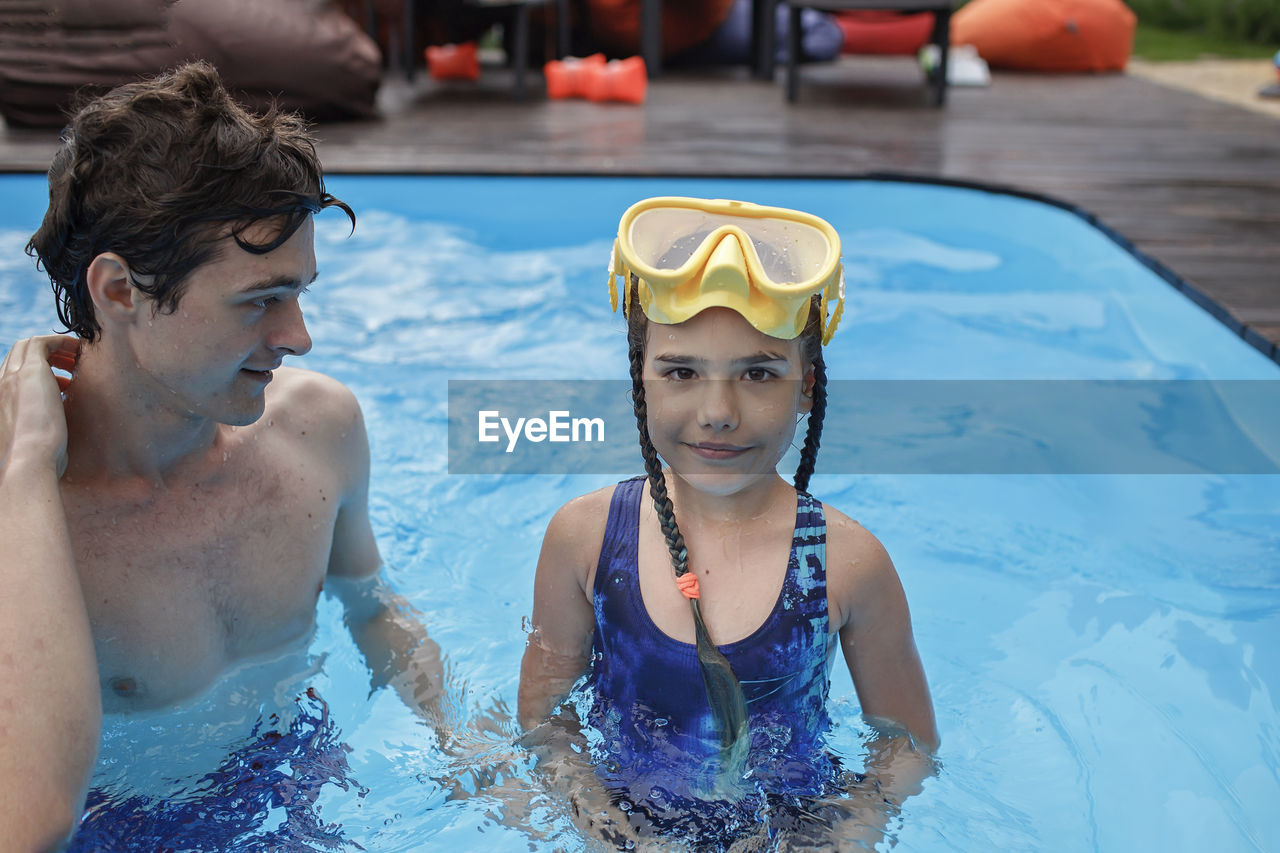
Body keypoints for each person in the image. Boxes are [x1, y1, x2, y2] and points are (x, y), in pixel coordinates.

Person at [0, 62, 442, 851]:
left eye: (300, 293)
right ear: (119, 291)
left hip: (295, 788)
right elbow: (27, 822)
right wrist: (26, 469)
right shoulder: (26, 518)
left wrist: (470, 756)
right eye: (258, 300)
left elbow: (374, 610)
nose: (298, 337)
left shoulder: (318, 429)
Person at [518, 196, 938, 848]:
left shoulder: (849, 564)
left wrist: (841, 837)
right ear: (641, 375)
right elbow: (546, 724)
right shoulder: (585, 538)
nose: (718, 410)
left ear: (806, 384)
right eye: (682, 370)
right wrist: (610, 833)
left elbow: (908, 745)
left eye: (758, 373)